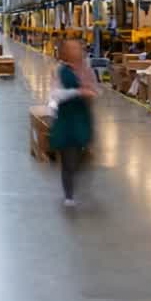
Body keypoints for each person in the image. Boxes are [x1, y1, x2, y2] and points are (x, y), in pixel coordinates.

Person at [49, 39, 97, 206]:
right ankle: (68, 195)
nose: (79, 51)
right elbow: (55, 95)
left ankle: (73, 180)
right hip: (66, 119)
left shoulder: (86, 69)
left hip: (82, 118)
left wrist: (91, 91)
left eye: (79, 48)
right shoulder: (60, 70)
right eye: (74, 49)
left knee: (83, 157)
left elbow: (94, 89)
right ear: (66, 52)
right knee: (68, 160)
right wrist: (78, 92)